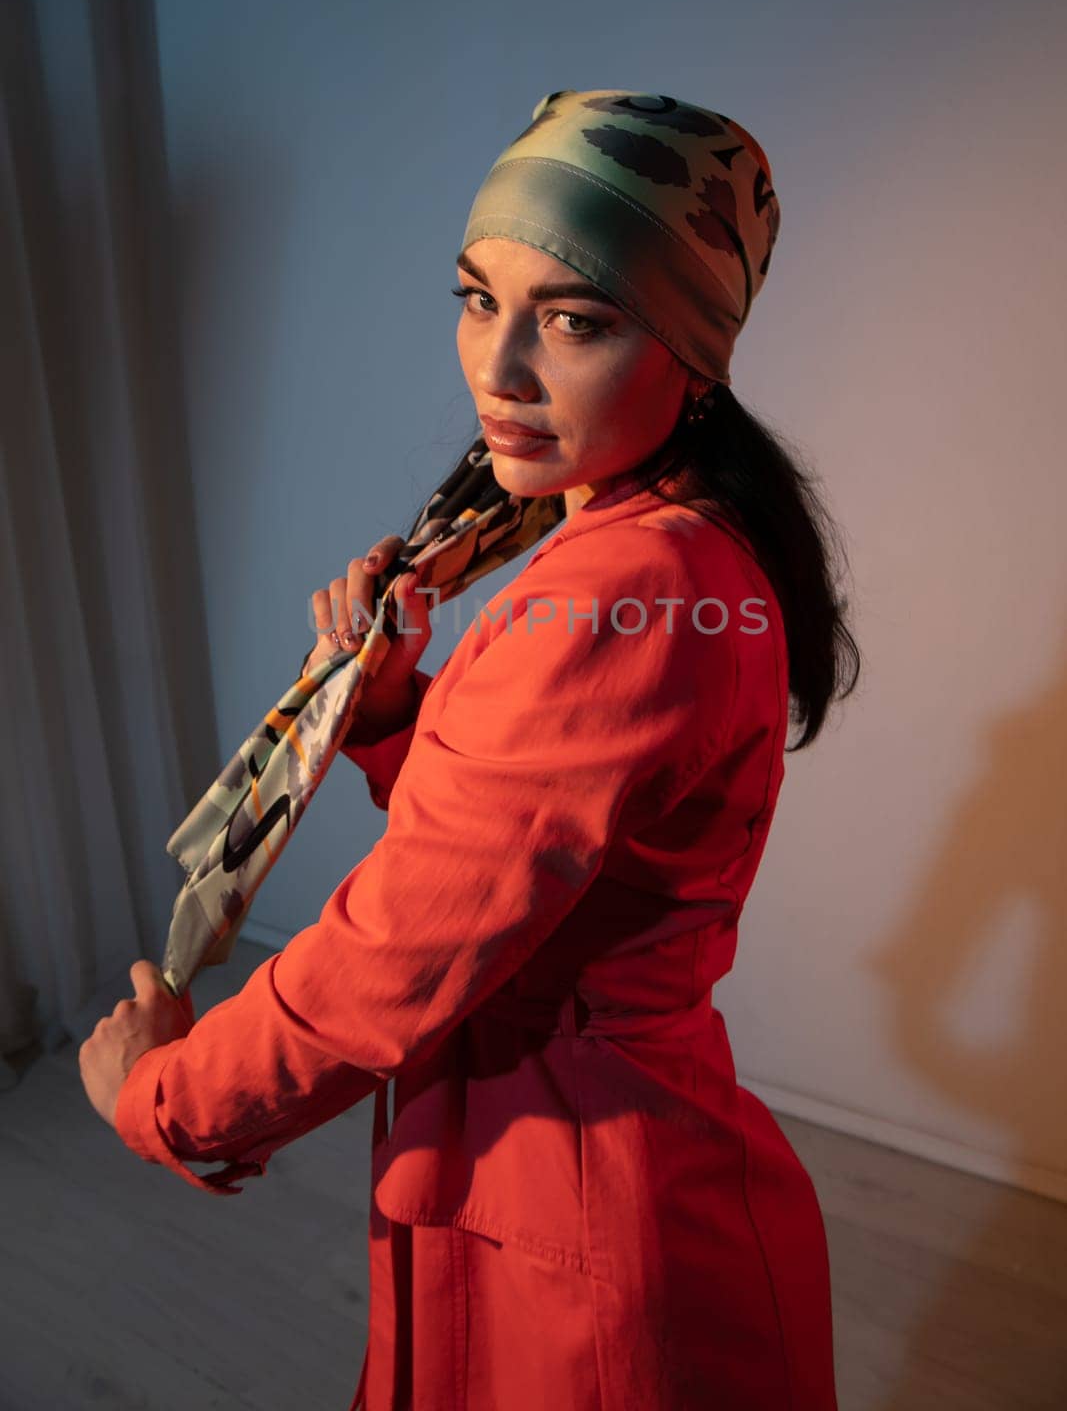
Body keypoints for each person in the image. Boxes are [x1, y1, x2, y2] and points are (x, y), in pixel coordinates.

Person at [80, 89, 860, 1409]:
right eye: (476, 298)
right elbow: (540, 845)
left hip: (580, 1219)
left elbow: (401, 948)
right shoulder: (659, 538)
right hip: (552, 1169)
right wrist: (391, 710)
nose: (497, 368)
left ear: (692, 344)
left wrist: (166, 1096)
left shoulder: (625, 587)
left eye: (575, 319)